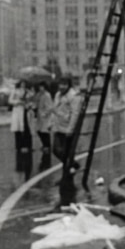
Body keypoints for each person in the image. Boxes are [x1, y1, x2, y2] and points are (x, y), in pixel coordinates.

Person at [51, 75, 81, 207]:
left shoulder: (73, 96)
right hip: (58, 127)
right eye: (60, 84)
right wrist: (52, 124)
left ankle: (66, 179)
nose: (62, 87)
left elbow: (75, 113)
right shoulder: (58, 95)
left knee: (67, 153)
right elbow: (55, 110)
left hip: (67, 128)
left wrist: (71, 129)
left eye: (64, 84)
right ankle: (73, 165)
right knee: (56, 150)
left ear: (68, 85)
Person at [8, 79, 34, 154]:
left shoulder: (28, 92)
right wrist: (18, 102)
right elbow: (10, 100)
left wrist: (29, 103)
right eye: (22, 83)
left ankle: (28, 146)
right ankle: (18, 146)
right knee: (18, 129)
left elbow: (31, 100)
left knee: (27, 129)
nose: (23, 85)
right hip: (17, 111)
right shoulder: (15, 91)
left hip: (25, 111)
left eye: (24, 83)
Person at [34, 81, 53, 153]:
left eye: (42, 87)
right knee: (39, 130)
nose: (40, 88)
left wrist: (45, 113)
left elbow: (50, 106)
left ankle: (47, 145)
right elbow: (35, 102)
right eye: (40, 87)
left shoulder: (47, 95)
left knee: (45, 131)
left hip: (45, 115)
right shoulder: (39, 94)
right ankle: (44, 144)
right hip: (39, 114)